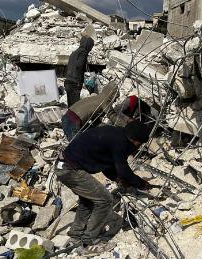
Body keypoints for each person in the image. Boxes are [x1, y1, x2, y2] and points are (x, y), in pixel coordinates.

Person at [54, 120, 152, 255]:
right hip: (70, 169)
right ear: (134, 140)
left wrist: (116, 178)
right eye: (139, 143)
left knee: (88, 199)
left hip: (64, 165)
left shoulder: (115, 134)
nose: (138, 146)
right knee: (105, 200)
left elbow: (106, 163)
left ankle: (76, 234)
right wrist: (141, 183)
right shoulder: (121, 143)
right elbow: (123, 169)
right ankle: (88, 243)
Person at [65, 36, 94, 106]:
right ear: (88, 45)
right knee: (75, 107)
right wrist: (90, 84)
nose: (90, 49)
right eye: (91, 46)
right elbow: (80, 66)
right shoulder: (83, 52)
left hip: (68, 82)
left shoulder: (73, 53)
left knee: (71, 106)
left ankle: (69, 117)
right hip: (75, 83)